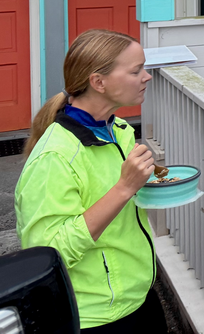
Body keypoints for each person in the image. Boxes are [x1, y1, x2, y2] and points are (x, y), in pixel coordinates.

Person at [15, 29, 167, 333]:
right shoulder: (54, 157)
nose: (147, 77)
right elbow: (48, 253)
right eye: (136, 70)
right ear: (98, 82)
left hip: (139, 297)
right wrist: (124, 188)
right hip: (96, 318)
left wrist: (144, 186)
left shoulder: (117, 129)